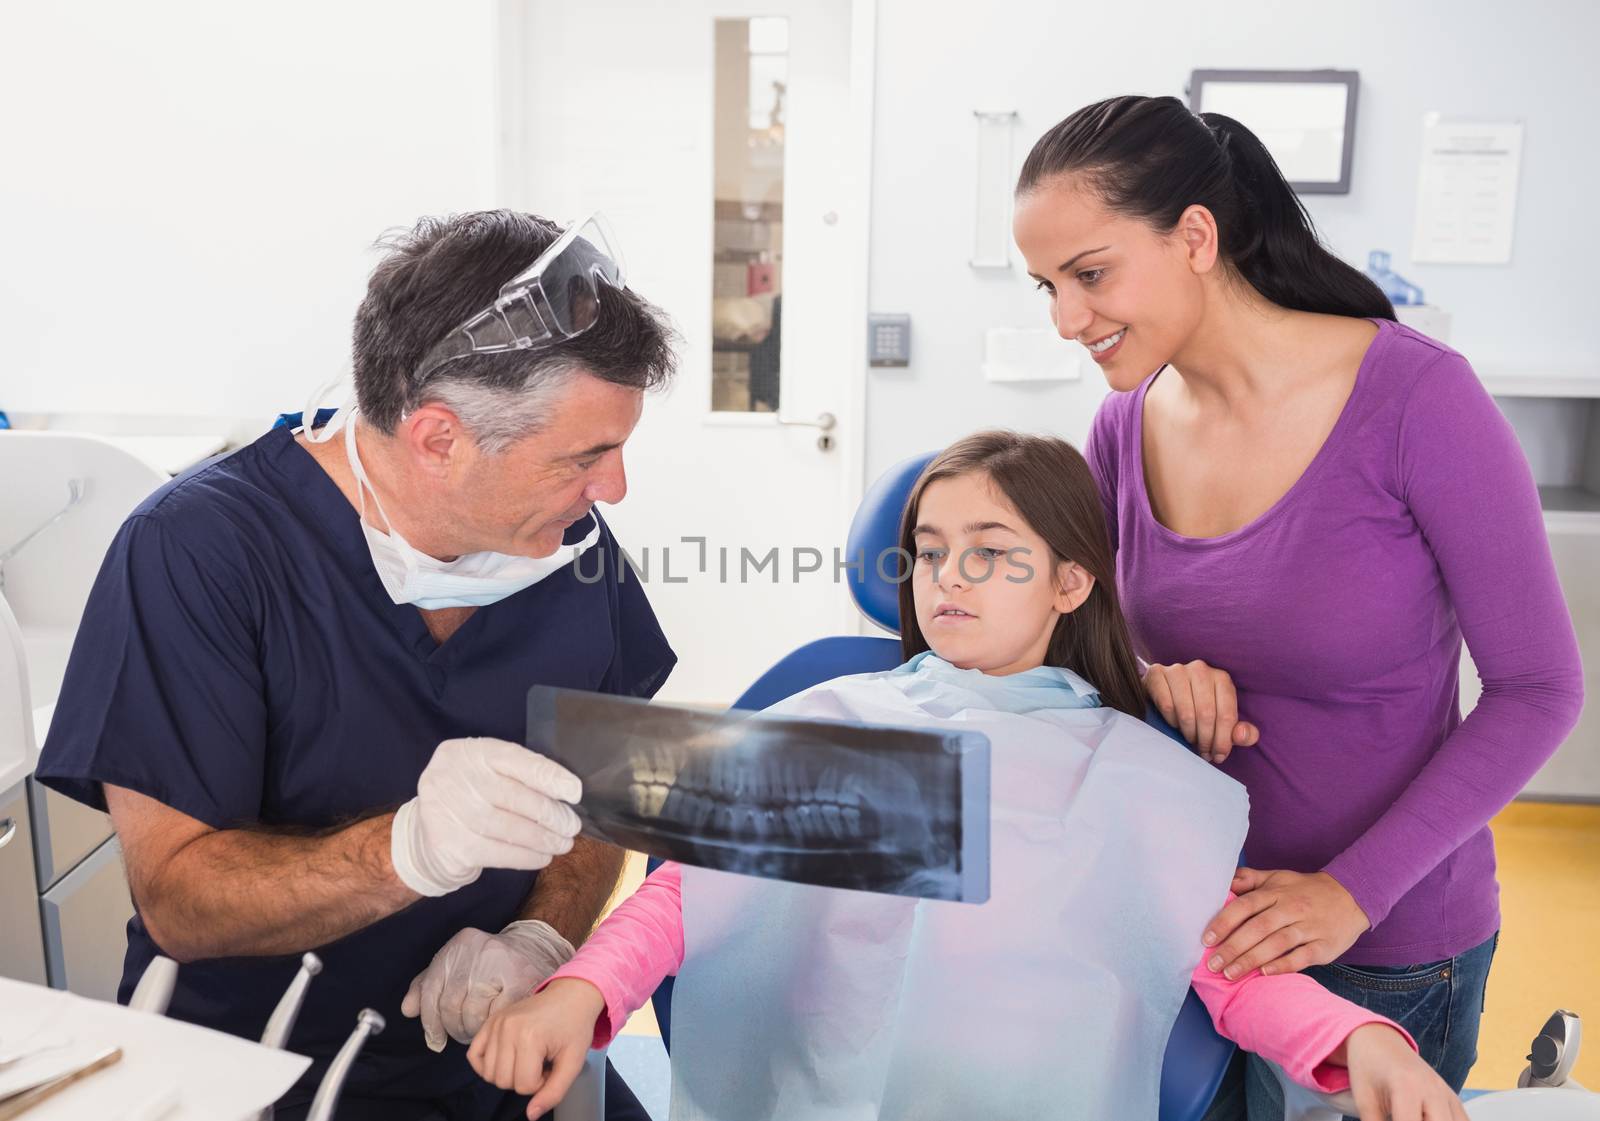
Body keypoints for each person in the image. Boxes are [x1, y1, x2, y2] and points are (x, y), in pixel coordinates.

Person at [467, 432, 1464, 1121]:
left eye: (991, 553)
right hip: (817, 1092)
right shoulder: (844, 716)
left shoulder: (1130, 774)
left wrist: (1358, 1040)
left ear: (1070, 583)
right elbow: (691, 895)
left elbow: (1222, 964)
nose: (948, 576)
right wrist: (579, 989)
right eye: (931, 552)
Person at [35, 209, 679, 1120]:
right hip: (249, 1079)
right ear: (439, 438)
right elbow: (178, 896)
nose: (613, 488)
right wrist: (408, 850)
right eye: (586, 456)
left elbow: (602, 798)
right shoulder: (200, 550)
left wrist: (540, 935)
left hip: (482, 1074)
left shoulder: (569, 544)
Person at [1011, 95, 1585, 1115]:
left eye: (1089, 274)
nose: (1066, 318)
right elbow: (1089, 654)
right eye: (1046, 285)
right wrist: (1149, 677)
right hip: (1189, 932)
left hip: (1385, 948)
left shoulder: (1418, 399)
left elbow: (1537, 688)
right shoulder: (1120, 427)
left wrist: (1349, 892)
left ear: (1195, 236)